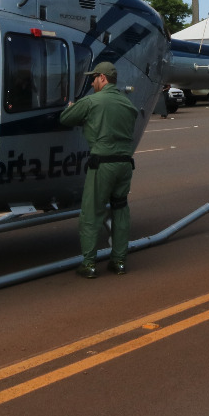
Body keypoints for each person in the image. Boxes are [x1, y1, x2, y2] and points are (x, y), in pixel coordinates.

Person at [59, 62, 140, 278]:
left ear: (102, 78)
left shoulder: (92, 101)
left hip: (103, 164)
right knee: (120, 209)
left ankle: (89, 264)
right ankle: (119, 261)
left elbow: (65, 119)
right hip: (125, 164)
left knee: (91, 212)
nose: (92, 82)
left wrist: (71, 108)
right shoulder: (127, 103)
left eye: (94, 78)